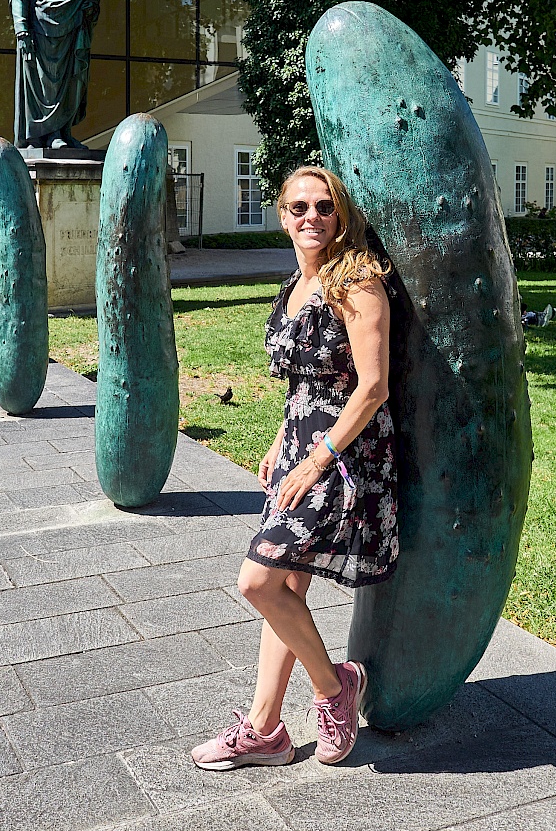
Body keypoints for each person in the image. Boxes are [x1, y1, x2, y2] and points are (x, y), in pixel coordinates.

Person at [191, 165, 399, 771]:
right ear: (282, 216)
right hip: (301, 446)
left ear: (342, 217)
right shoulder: (296, 286)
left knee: (257, 583)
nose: (312, 217)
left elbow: (374, 387)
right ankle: (265, 730)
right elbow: (304, 380)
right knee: (285, 586)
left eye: (325, 207)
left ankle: (334, 689)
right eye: (300, 207)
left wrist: (315, 459)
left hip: (346, 453)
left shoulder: (357, 282)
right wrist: (284, 440)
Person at [7, 0, 99, 150]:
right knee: (43, 83)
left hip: (71, 28)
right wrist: (22, 29)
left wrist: (89, 6)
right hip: (41, 29)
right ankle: (42, 135)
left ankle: (62, 131)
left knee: (69, 81)